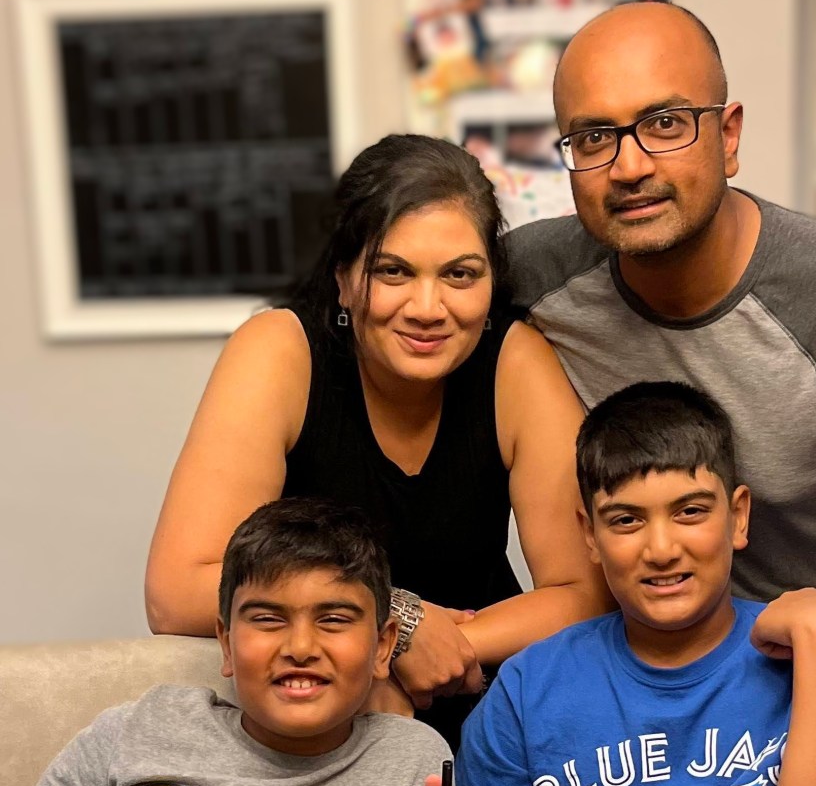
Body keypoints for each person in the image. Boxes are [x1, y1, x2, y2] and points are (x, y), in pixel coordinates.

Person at [505, 0, 816, 768]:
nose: (629, 166)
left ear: (728, 136)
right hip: (661, 683)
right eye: (594, 138)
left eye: (666, 123)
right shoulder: (532, 277)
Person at [145, 134, 610, 746]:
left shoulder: (513, 360)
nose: (428, 307)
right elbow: (175, 591)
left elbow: (588, 591)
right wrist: (397, 624)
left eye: (459, 274)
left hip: (481, 695)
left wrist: (440, 646)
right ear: (343, 279)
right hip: (315, 707)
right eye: (393, 271)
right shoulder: (280, 350)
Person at [456, 381, 816, 786]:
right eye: (626, 520)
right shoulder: (525, 692)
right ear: (591, 535)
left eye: (691, 511)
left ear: (738, 517)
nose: (661, 550)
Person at [24, 499, 451, 786]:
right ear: (227, 644)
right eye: (268, 619)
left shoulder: (411, 761)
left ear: (382, 647)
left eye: (333, 620)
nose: (300, 648)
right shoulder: (135, 730)